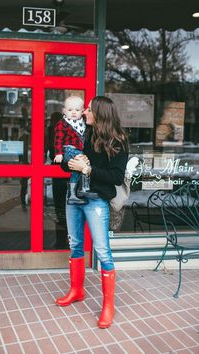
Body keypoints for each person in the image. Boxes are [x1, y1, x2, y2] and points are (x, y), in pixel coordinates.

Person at [55, 96, 129, 329]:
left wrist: (87, 168)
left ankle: (108, 306)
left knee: (102, 251)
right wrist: (69, 161)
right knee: (75, 244)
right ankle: (77, 290)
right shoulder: (83, 133)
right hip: (74, 197)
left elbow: (116, 177)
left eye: (88, 109)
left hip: (96, 201)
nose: (84, 112)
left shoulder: (119, 141)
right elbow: (64, 161)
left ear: (100, 113)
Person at [54, 95, 98, 205]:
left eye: (77, 110)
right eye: (70, 110)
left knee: (81, 169)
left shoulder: (84, 121)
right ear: (64, 111)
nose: (73, 112)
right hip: (69, 150)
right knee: (82, 165)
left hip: (80, 151)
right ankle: (74, 193)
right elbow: (58, 140)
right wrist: (59, 153)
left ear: (82, 111)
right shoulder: (62, 124)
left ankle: (82, 190)